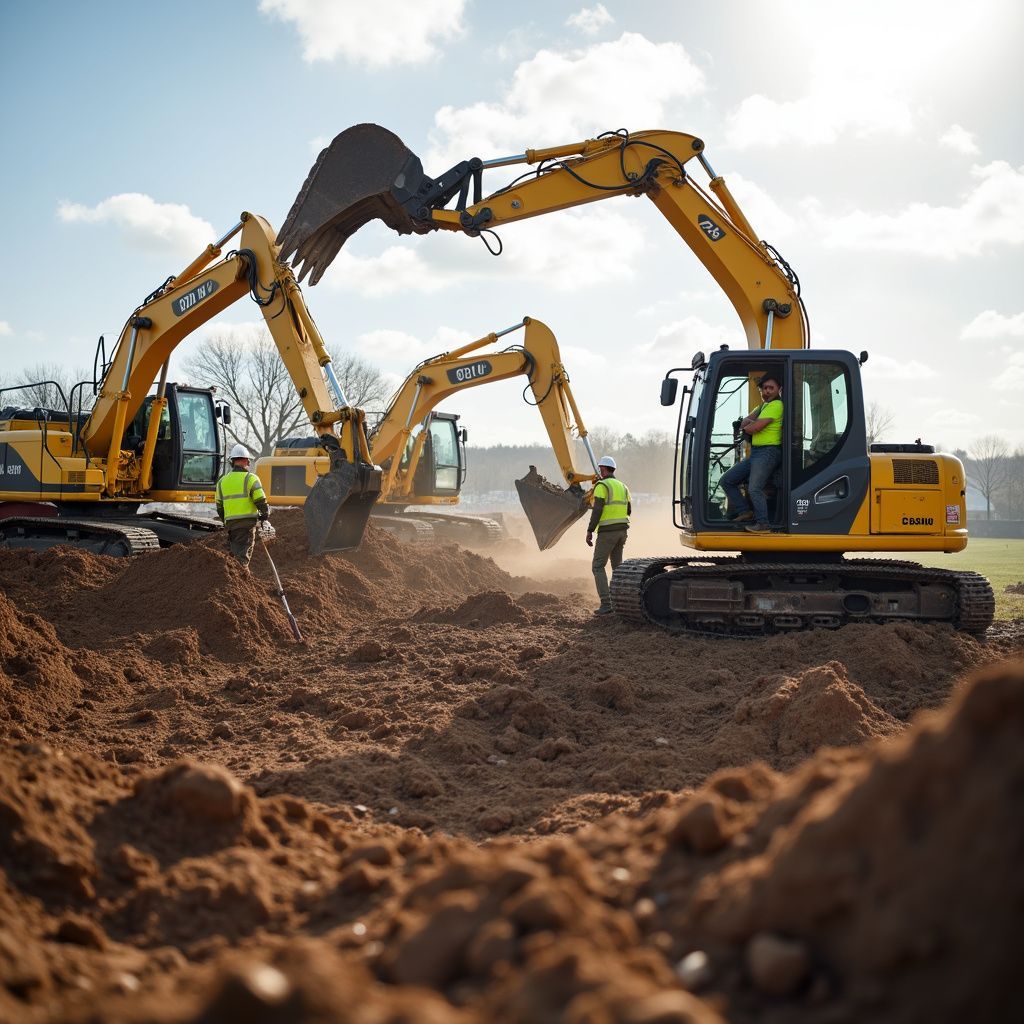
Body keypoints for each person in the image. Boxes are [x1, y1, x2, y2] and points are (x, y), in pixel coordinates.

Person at [721, 372, 783, 533]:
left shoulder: (777, 405)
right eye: (764, 388)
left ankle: (763, 524)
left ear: (779, 389)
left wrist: (748, 426)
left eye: (771, 388)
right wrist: (748, 424)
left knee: (755, 488)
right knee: (727, 480)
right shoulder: (763, 406)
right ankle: (745, 512)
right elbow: (744, 423)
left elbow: (754, 427)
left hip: (768, 452)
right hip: (757, 453)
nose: (767, 391)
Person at [586, 455, 631, 616]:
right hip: (622, 532)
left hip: (607, 533)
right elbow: (629, 510)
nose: (599, 471)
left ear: (604, 469)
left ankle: (606, 603)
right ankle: (620, 601)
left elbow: (597, 510)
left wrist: (590, 530)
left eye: (600, 469)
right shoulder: (623, 487)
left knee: (598, 566)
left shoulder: (602, 486)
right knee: (617, 567)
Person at [215, 444, 270, 567]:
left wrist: (226, 521)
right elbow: (260, 500)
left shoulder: (221, 482)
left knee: (235, 552)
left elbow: (219, 507)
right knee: (242, 557)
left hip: (231, 525)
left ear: (232, 461)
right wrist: (264, 515)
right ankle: (240, 579)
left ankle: (235, 578)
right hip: (247, 524)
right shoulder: (251, 478)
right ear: (246, 461)